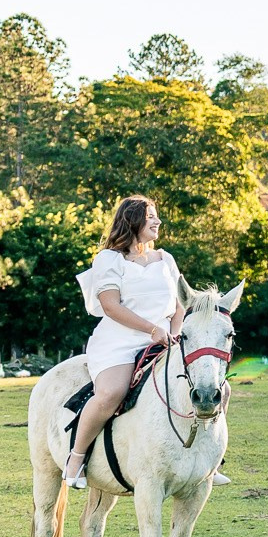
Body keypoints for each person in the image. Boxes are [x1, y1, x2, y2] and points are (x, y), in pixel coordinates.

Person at [66, 196, 190, 489]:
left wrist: (175, 333)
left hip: (164, 342)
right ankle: (76, 457)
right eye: (151, 216)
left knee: (210, 386)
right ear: (133, 220)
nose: (158, 221)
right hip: (120, 342)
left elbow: (179, 305)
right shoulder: (109, 259)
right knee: (111, 393)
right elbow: (111, 306)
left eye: (157, 216)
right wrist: (152, 330)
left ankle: (205, 462)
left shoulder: (165, 259)